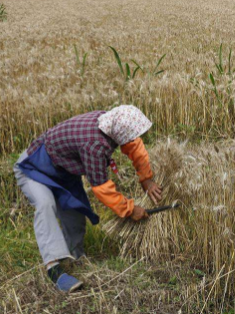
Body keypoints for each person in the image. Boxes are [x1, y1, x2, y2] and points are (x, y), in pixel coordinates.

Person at [13, 105, 162, 292]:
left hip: (62, 171)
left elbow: (135, 144)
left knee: (75, 213)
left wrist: (146, 178)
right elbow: (102, 189)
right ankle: (54, 268)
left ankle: (75, 259)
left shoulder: (110, 122)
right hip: (33, 167)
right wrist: (130, 209)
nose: (132, 138)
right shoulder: (94, 145)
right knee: (45, 204)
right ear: (119, 133)